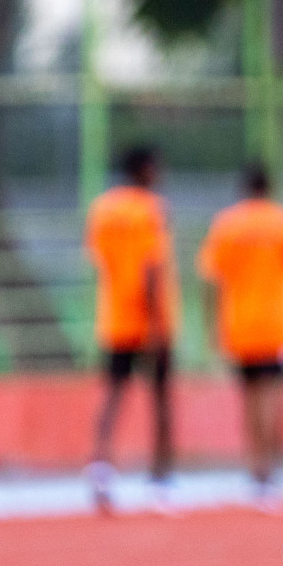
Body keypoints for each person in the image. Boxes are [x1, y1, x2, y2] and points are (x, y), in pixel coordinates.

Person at [199, 164, 283, 512]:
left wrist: (213, 327)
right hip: (278, 326)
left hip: (239, 325)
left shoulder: (227, 225)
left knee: (251, 397)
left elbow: (211, 279)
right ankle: (267, 472)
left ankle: (256, 470)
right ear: (270, 186)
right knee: (273, 397)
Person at [85, 146, 180, 515]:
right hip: (151, 321)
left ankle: (100, 469)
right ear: (145, 170)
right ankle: (161, 478)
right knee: (161, 401)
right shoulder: (151, 209)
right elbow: (150, 267)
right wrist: (157, 321)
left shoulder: (103, 209)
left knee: (112, 395)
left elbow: (101, 262)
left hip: (115, 317)